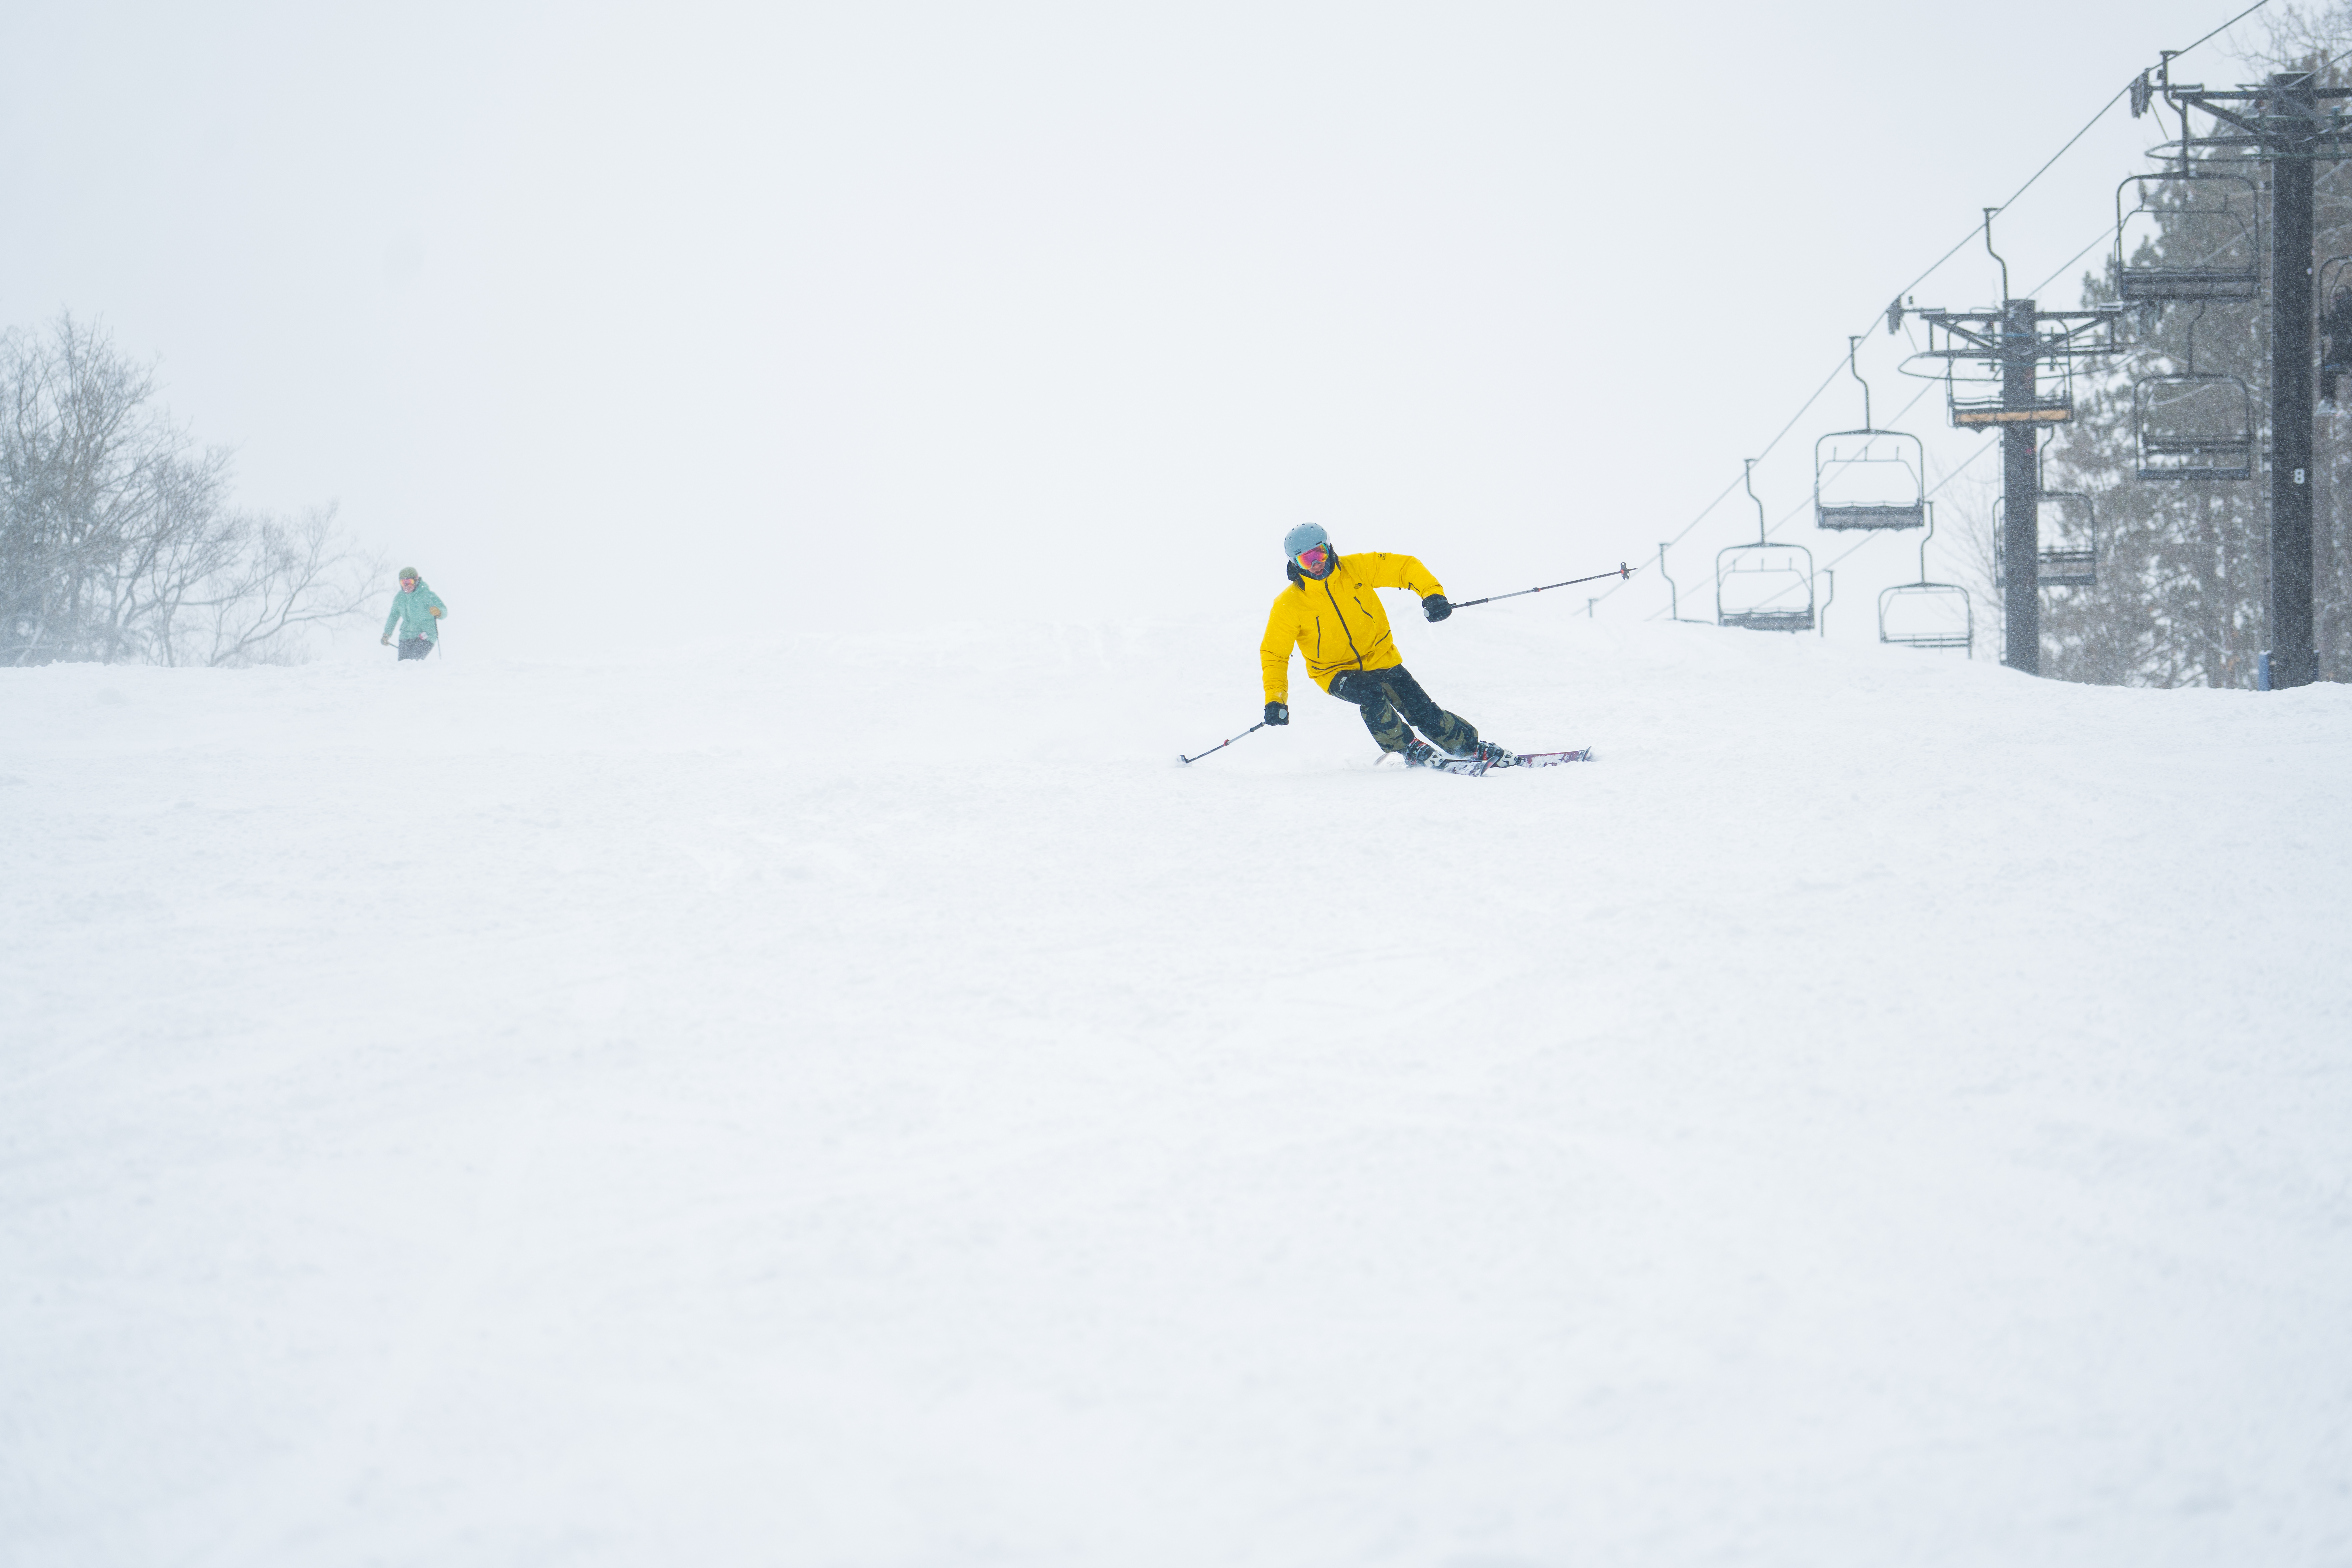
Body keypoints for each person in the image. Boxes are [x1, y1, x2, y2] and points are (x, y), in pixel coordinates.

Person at [1258, 523, 1512, 768]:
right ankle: (1407, 748)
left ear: (1330, 548)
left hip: (1382, 658)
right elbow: (1274, 654)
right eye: (1307, 560)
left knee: (1421, 709)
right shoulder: (1289, 606)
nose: (1317, 564)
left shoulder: (1358, 568)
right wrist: (1275, 700)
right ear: (1295, 564)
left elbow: (1405, 567)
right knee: (1370, 693)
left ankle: (1468, 747)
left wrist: (1433, 595)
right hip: (1334, 672)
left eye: (1320, 553)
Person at [381, 567, 446, 660]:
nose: (407, 586)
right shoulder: (400, 598)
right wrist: (387, 634)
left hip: (426, 635)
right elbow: (393, 616)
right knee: (404, 665)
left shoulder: (427, 595)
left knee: (414, 661)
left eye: (409, 582)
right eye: (404, 583)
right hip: (407, 635)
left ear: (416, 580)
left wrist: (439, 612)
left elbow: (444, 611)